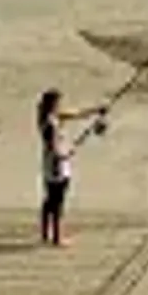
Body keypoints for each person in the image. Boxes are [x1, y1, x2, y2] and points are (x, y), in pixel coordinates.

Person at [36, 89, 106, 247]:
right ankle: (57, 237)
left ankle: (45, 233)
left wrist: (96, 110)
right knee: (58, 201)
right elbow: (53, 146)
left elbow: (77, 113)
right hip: (56, 165)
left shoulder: (50, 117)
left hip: (49, 163)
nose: (60, 105)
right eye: (58, 103)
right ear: (53, 104)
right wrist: (65, 154)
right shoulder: (51, 124)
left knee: (49, 199)